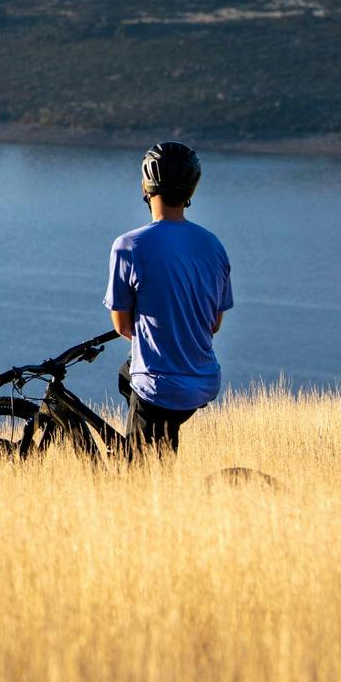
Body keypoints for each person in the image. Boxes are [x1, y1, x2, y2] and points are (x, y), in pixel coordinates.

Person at [104, 142, 233, 454]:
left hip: (158, 386)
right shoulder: (212, 245)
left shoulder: (129, 245)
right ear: (191, 189)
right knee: (127, 374)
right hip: (203, 380)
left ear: (147, 188)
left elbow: (122, 325)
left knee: (140, 485)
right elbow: (214, 323)